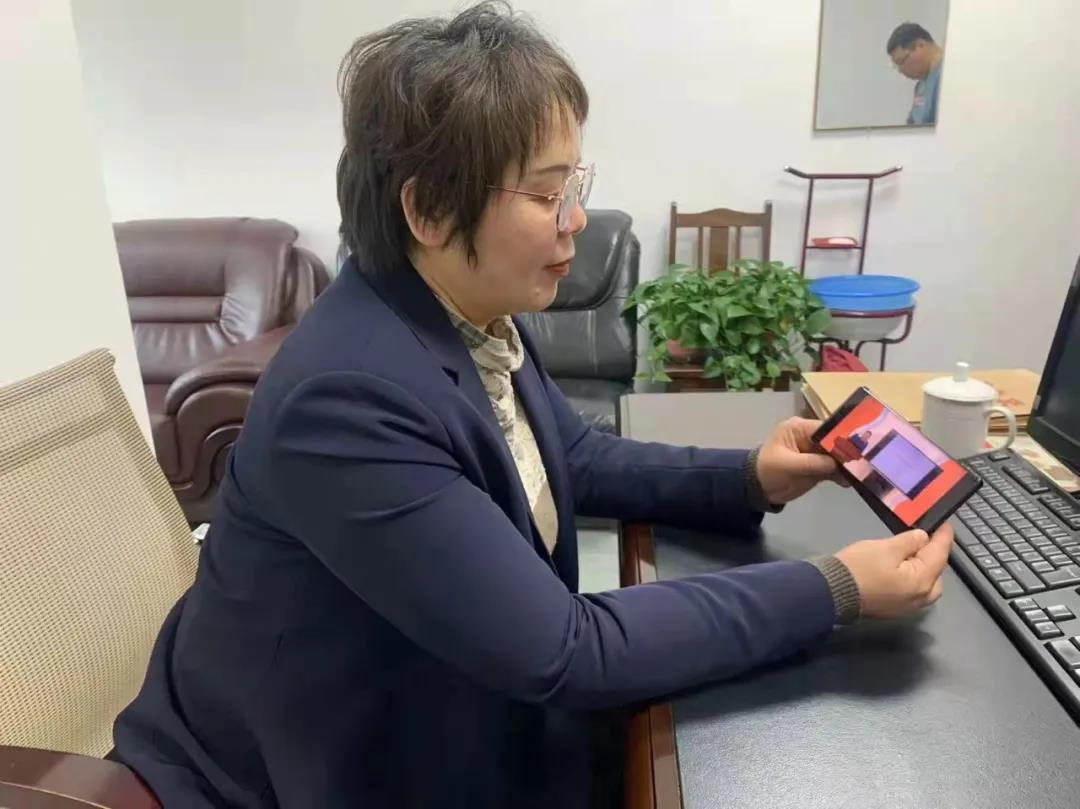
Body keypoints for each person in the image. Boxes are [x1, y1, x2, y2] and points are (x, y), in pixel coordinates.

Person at [112, 4, 954, 807]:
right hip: (326, 770)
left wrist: (751, 478)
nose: (575, 220)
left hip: (458, 703)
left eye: (574, 184)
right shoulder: (346, 399)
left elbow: (574, 456)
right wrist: (836, 586)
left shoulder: (473, 314)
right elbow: (565, 648)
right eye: (548, 194)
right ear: (428, 210)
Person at [887, 22, 945, 125]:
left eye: (901, 62)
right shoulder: (921, 85)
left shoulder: (947, 76)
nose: (901, 70)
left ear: (920, 45)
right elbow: (912, 123)